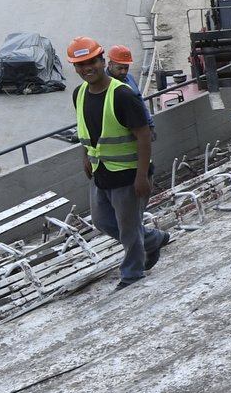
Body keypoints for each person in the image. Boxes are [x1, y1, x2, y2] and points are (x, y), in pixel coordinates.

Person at [66, 36, 168, 290]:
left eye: (91, 62)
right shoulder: (79, 94)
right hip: (101, 172)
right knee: (102, 221)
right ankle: (153, 239)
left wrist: (142, 176)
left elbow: (143, 134)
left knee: (128, 226)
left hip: (128, 174)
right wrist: (84, 157)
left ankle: (132, 273)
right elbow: (85, 130)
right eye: (80, 65)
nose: (87, 68)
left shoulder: (123, 94)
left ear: (102, 61)